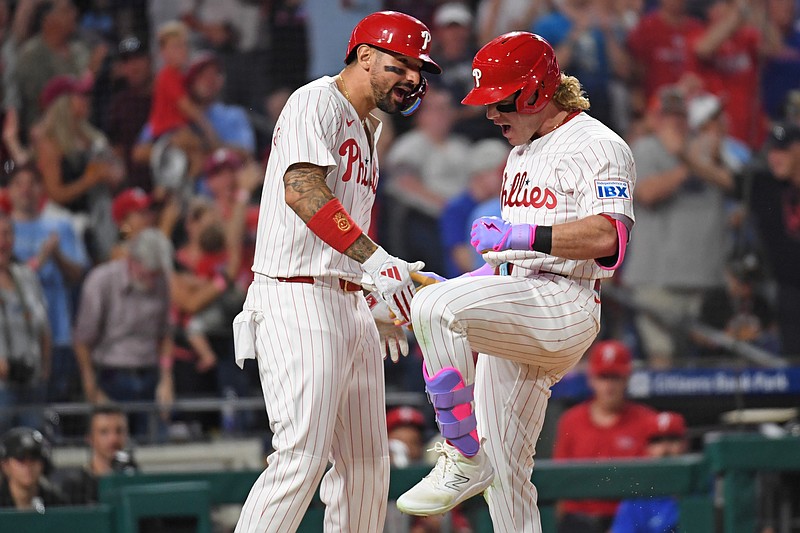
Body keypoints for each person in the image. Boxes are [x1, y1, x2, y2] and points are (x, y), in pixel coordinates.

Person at [395, 32, 637, 533]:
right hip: (524, 297)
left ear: (532, 93)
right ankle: (477, 466)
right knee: (505, 480)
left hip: (566, 301)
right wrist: (477, 280)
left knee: (436, 309)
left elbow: (608, 238)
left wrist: (522, 234)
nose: (490, 116)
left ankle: (460, 453)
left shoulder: (599, 144)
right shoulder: (520, 153)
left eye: (498, 102)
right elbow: (510, 263)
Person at [230, 11, 440, 533]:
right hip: (296, 296)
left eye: (418, 70)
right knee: (300, 456)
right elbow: (301, 190)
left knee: (369, 467)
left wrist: (370, 294)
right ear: (364, 56)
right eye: (401, 65)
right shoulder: (316, 100)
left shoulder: (371, 124)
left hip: (345, 301)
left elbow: (342, 231)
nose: (412, 79)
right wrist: (376, 260)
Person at [72, 229, 175, 434]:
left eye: (157, 274)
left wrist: (166, 378)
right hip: (111, 376)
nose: (153, 280)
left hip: (150, 375)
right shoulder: (101, 281)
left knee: (156, 447)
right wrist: (91, 385)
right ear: (132, 261)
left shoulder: (162, 281)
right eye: (149, 273)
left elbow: (165, 333)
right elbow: (82, 340)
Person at [553, 340, 657, 533]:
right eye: (603, 377)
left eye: (615, 377)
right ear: (591, 379)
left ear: (627, 378)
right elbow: (560, 484)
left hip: (628, 521)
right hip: (579, 521)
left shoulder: (647, 420)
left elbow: (653, 484)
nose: (609, 385)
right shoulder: (571, 420)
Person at [7, 163, 88, 403]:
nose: (25, 190)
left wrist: (57, 256)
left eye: (32, 183)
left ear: (42, 189)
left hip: (57, 331)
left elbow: (78, 275)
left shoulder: (60, 226)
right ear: (9, 190)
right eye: (18, 184)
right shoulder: (3, 230)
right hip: (13, 335)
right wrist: (41, 259)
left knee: (54, 405)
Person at [0, 211, 51, 435]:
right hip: (2, 388)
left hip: (31, 383)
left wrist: (44, 372)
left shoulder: (26, 276)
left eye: (8, 233)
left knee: (31, 447)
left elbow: (43, 328)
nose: (3, 241)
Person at [611, 411, 689, 533]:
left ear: (685, 444)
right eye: (657, 440)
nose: (665, 449)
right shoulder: (638, 495)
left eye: (672, 439)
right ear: (647, 448)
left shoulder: (703, 485)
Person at [50, 404, 137, 504]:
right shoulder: (76, 487)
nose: (113, 439)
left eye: (119, 431)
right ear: (90, 438)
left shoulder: (134, 478)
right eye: (104, 432)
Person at [0, 426, 66, 510]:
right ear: (5, 465)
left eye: (33, 459)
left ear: (42, 464)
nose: (28, 466)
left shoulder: (56, 502)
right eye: (20, 459)